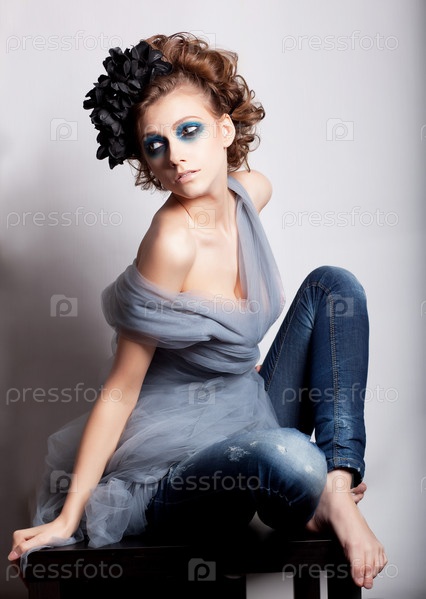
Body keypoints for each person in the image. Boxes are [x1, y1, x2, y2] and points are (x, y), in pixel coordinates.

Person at [8, 32, 387, 589]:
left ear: (225, 130)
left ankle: (336, 482)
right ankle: (315, 483)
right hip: (177, 464)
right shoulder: (171, 242)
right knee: (288, 455)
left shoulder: (251, 193)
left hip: (249, 405)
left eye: (189, 131)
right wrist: (68, 517)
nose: (175, 155)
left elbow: (225, 323)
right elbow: (120, 390)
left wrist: (227, 356)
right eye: (155, 144)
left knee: (336, 286)